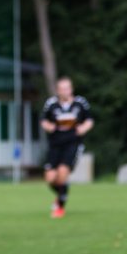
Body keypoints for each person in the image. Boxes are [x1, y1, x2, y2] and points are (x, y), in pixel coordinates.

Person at [40, 77, 93, 218]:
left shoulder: (80, 103)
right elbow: (44, 120)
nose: (65, 91)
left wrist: (84, 128)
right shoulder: (51, 104)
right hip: (55, 144)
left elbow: (89, 120)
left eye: (67, 88)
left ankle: (60, 208)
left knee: (63, 172)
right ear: (58, 91)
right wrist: (48, 126)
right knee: (50, 178)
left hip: (72, 144)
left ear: (71, 89)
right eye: (62, 89)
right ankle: (62, 193)